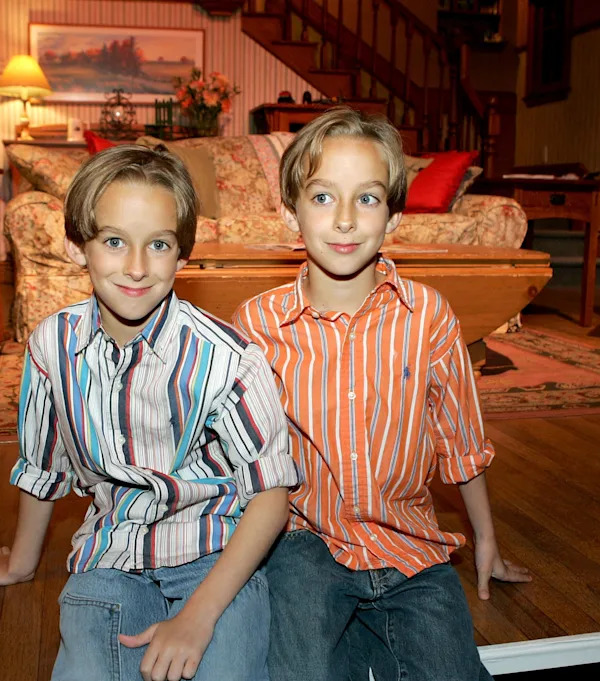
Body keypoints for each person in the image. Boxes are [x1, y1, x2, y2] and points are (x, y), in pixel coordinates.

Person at [0, 144, 299, 681]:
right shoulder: (50, 346)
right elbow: (42, 464)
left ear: (183, 256)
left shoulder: (230, 360)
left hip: (216, 557)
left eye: (160, 245)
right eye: (115, 241)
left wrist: (198, 617)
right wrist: (22, 564)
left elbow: (271, 495)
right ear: (79, 247)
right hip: (110, 555)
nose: (138, 268)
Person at [232, 107, 532, 681]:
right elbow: (238, 463)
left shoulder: (429, 319)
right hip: (303, 544)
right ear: (289, 210)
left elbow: (461, 443)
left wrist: (487, 539)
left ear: (394, 215)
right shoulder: (256, 325)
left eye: (367, 199)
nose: (344, 220)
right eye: (322, 198)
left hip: (412, 545)